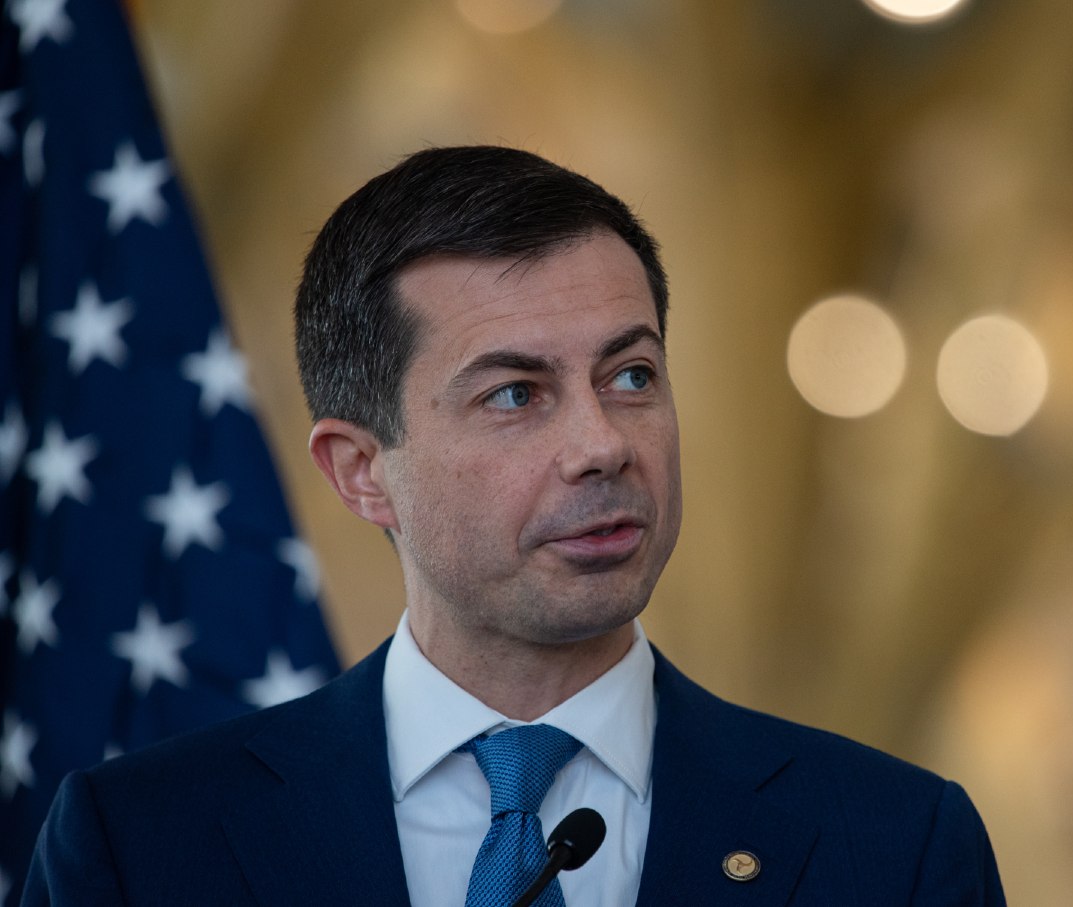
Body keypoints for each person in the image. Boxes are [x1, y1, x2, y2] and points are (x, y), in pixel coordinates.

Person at [24, 146, 1005, 906]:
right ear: (363, 472)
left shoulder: (892, 843)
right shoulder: (142, 846)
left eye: (631, 376)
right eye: (515, 394)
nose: (602, 444)